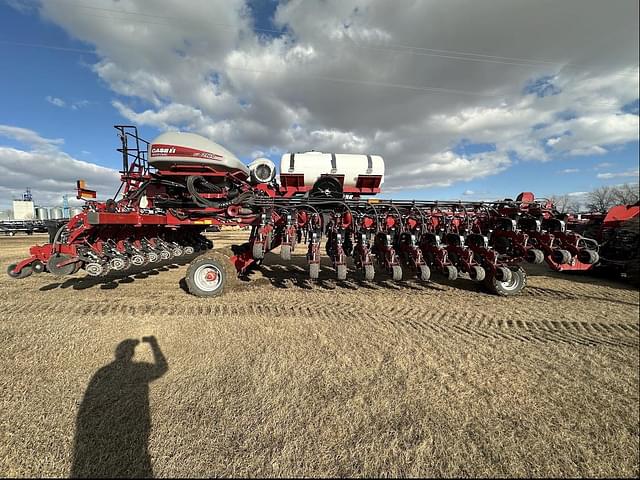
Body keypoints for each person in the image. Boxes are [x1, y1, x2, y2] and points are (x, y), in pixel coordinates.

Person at [71, 336, 168, 478]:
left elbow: (88, 404)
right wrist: (153, 343)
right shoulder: (137, 369)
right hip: (136, 431)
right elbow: (162, 368)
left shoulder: (102, 372)